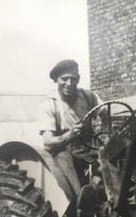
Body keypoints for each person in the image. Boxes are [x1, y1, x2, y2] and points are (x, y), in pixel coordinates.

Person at [39, 59, 103, 199]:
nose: (69, 84)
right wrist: (69, 135)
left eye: (73, 79)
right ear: (56, 80)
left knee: (110, 153)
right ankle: (80, 201)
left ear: (78, 79)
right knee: (63, 157)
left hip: (88, 149)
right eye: (64, 79)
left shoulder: (88, 97)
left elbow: (107, 113)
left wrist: (107, 132)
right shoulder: (50, 103)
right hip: (64, 151)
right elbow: (48, 142)